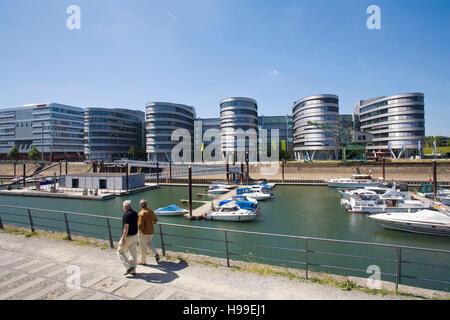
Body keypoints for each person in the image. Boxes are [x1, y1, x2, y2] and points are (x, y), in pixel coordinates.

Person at [117, 200, 139, 276]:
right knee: (133, 253)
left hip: (128, 237)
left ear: (125, 207)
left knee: (120, 251)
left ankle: (129, 267)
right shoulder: (135, 213)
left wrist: (123, 238)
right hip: (135, 235)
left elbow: (126, 228)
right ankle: (133, 270)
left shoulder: (126, 215)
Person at [137, 199, 160, 265]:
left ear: (141, 205)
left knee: (143, 247)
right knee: (149, 243)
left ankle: (143, 261)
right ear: (146, 204)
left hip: (143, 233)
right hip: (151, 232)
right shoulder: (151, 211)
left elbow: (140, 225)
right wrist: (152, 222)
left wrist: (140, 231)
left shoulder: (141, 213)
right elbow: (156, 219)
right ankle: (156, 253)